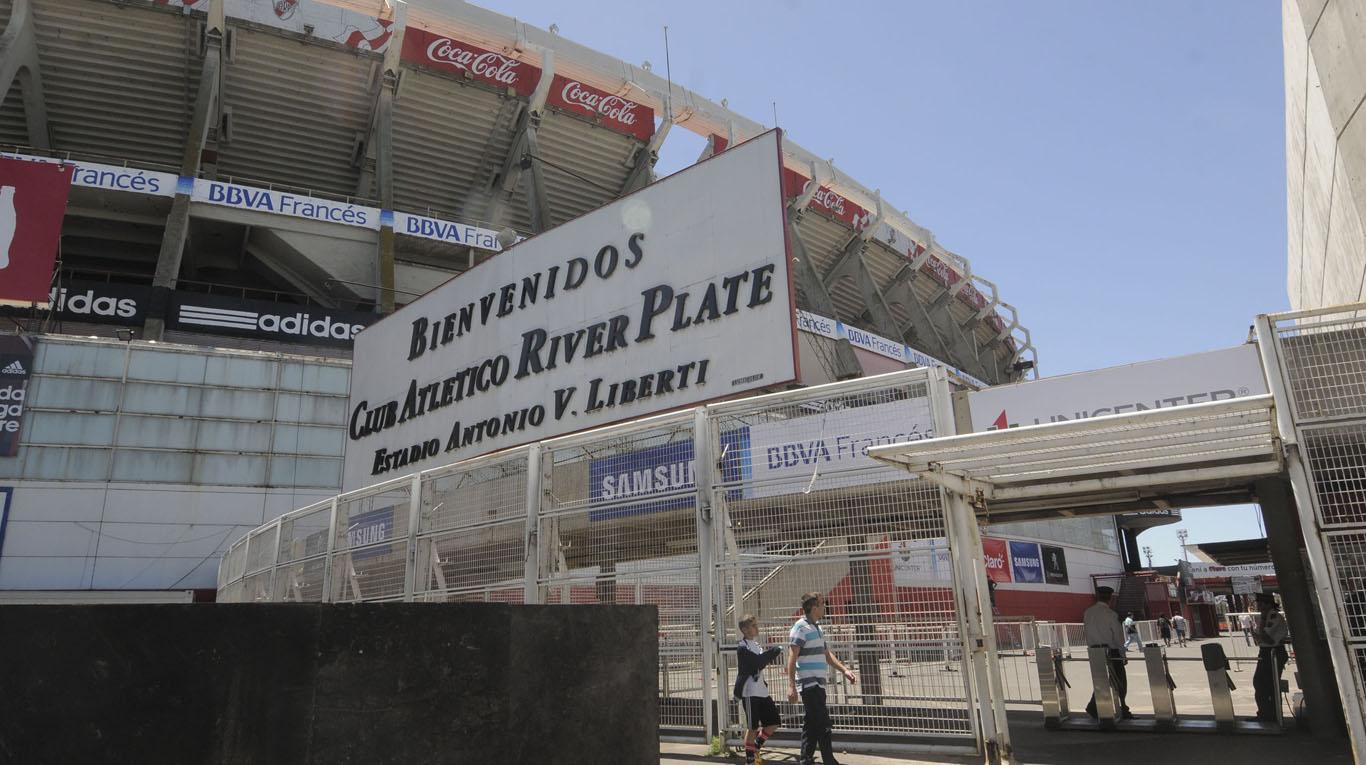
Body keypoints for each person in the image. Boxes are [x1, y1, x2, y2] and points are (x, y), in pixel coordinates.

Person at [787, 592, 857, 765]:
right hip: (808, 683)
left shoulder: (818, 628)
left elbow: (827, 654)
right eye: (822, 604)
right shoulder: (800, 627)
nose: (825, 607)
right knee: (823, 721)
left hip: (819, 683)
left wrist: (844, 670)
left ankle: (806, 759)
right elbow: (791, 657)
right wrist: (791, 686)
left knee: (811, 723)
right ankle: (828, 759)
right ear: (813, 607)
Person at [735, 615, 783, 765]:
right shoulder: (742, 647)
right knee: (753, 726)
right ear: (744, 629)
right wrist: (774, 651)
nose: (757, 628)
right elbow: (758, 663)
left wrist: (770, 653)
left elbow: (760, 661)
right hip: (750, 693)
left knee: (774, 722)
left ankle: (755, 746)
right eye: (753, 625)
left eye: (756, 624)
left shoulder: (756, 644)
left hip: (762, 691)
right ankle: (750, 759)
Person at [1082, 586, 1132, 720]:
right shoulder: (1110, 614)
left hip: (1094, 650)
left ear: (1098, 596)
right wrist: (1122, 654)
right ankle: (1123, 708)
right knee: (1120, 680)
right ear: (1110, 598)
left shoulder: (1088, 612)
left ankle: (1094, 707)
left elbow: (1086, 632)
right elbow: (1117, 636)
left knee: (1101, 680)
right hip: (1111, 651)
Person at [1252, 594, 1290, 722]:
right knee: (1260, 683)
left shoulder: (1274, 616)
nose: (1259, 606)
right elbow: (1259, 639)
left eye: (1262, 604)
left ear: (1269, 604)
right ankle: (1264, 713)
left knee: (1270, 684)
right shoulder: (1264, 617)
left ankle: (1272, 714)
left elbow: (1265, 637)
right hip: (1265, 651)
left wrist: (1260, 634)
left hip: (1273, 652)